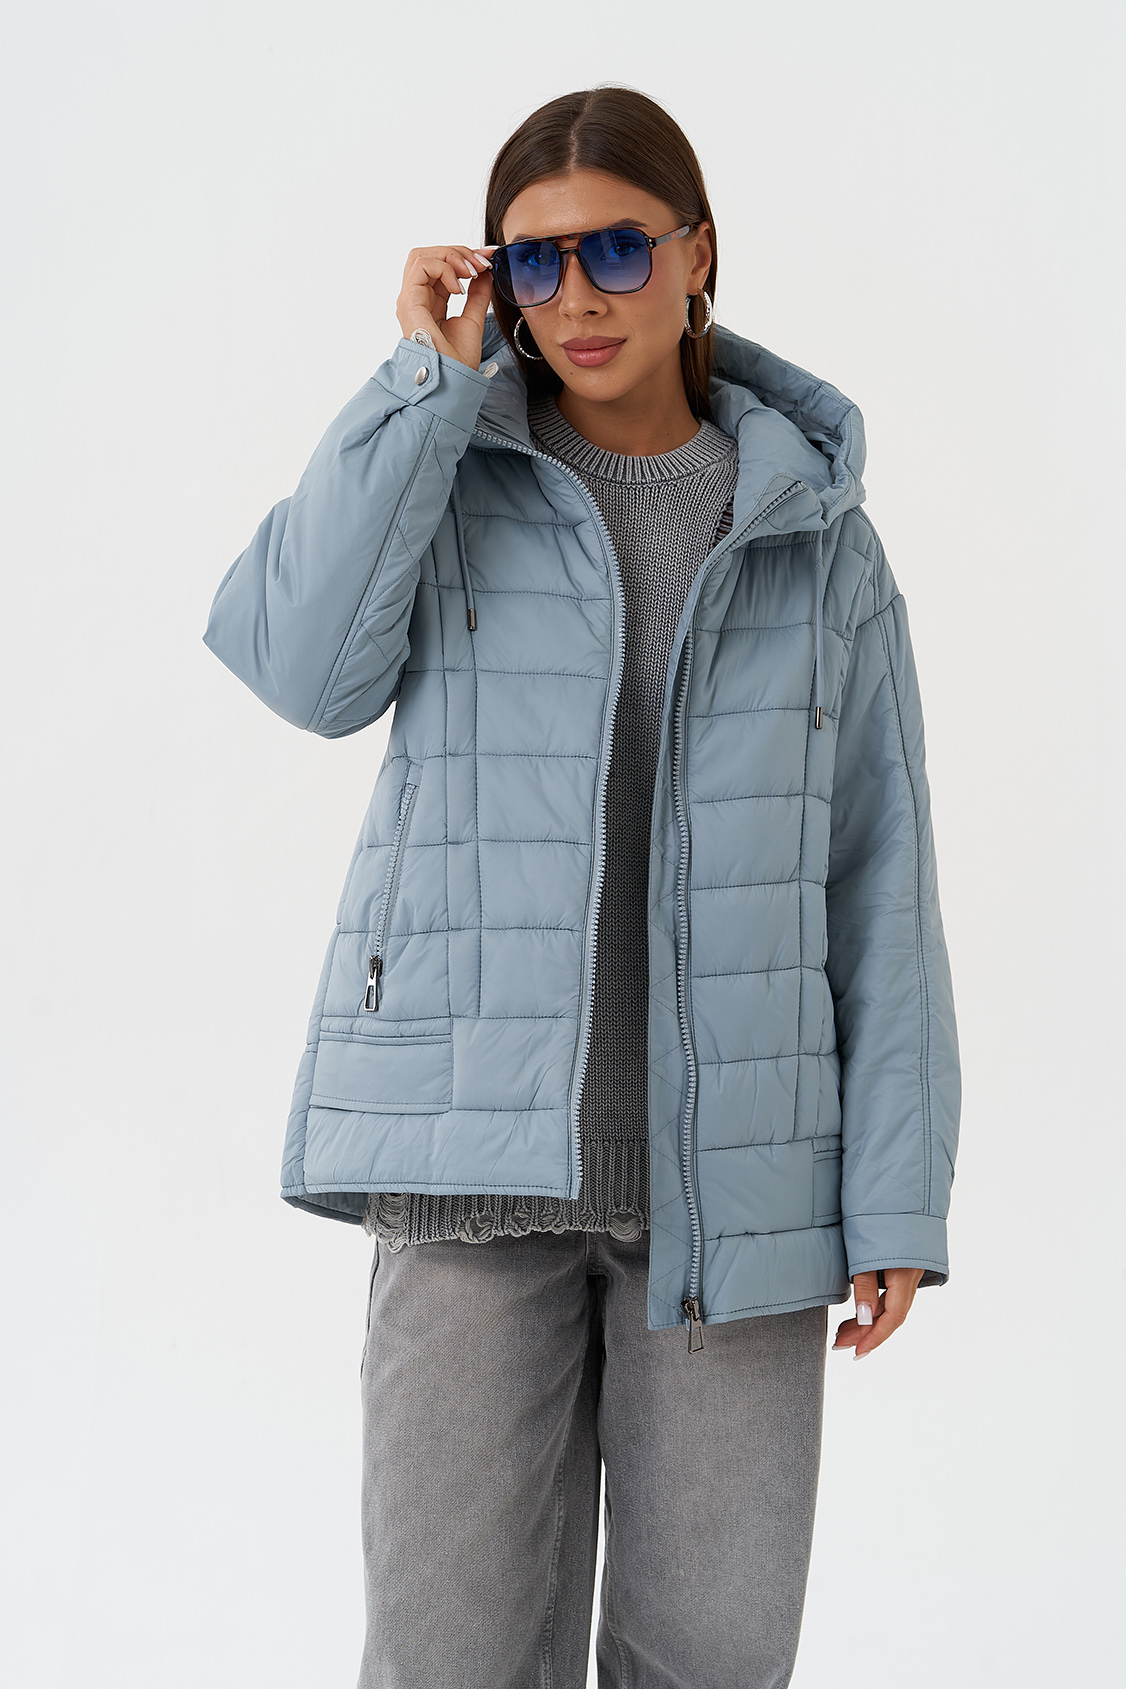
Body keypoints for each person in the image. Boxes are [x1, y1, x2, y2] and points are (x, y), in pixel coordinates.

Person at [202, 84, 961, 1689]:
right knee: (449, 1659)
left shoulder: (815, 537)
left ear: (697, 254)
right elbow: (297, 669)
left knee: (709, 1659)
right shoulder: (447, 469)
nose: (577, 296)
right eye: (532, 263)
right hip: (464, 1169)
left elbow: (881, 874)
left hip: (734, 1190)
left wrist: (893, 1194)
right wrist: (419, 381)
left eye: (617, 248)